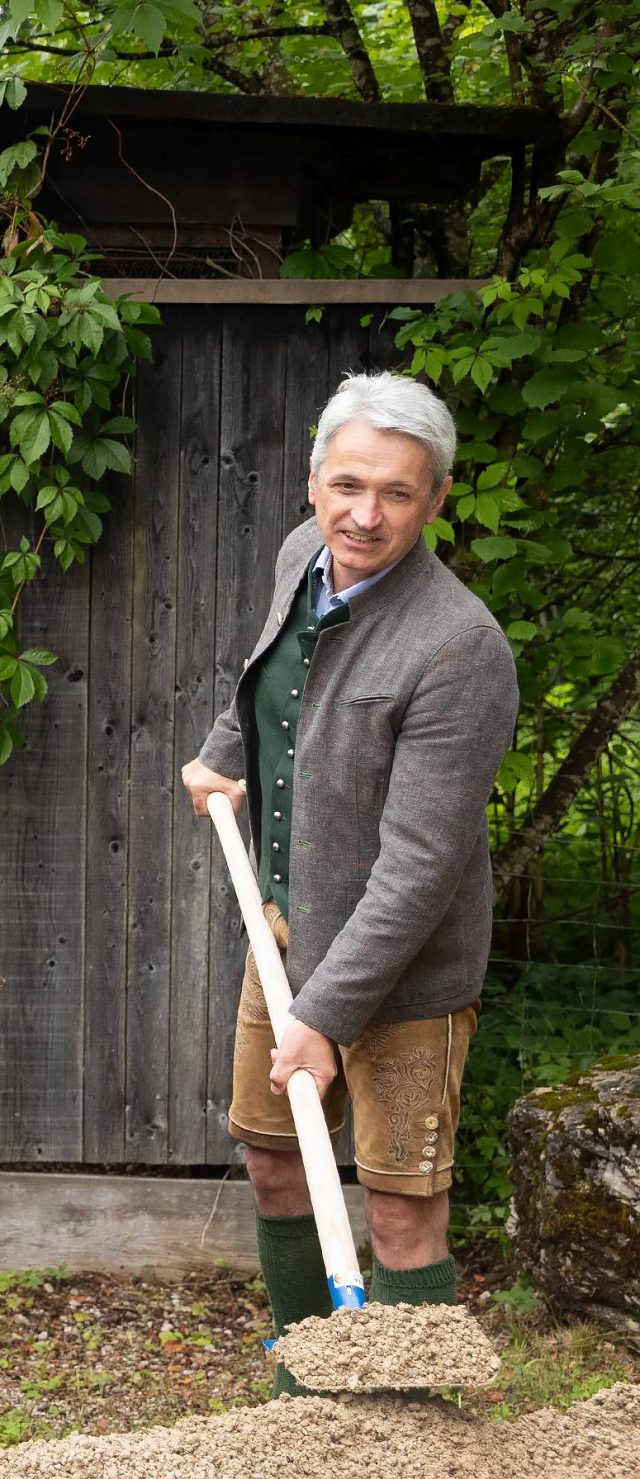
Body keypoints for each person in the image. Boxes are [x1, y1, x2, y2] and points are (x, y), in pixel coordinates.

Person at [181, 372, 516, 1391]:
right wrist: (217, 752)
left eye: (397, 494)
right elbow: (270, 690)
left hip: (403, 979)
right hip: (284, 931)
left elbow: (420, 868)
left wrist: (323, 1019)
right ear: (314, 478)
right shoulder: (303, 560)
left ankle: (405, 1429)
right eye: (346, 484)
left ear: (437, 498)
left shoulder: (458, 648)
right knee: (276, 1163)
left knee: (399, 1208)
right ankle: (307, 1381)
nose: (364, 515)